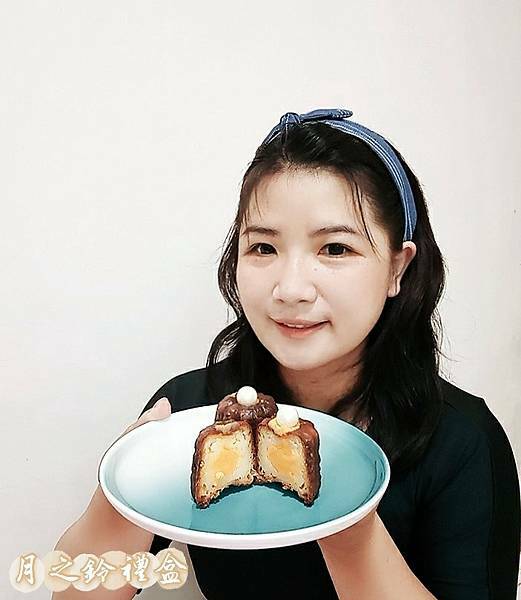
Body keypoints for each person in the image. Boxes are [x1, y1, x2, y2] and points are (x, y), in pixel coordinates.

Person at [53, 108, 521, 600]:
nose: (291, 289)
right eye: (263, 248)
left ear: (396, 269)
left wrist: (349, 523)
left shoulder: (462, 442)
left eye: (335, 249)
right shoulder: (193, 412)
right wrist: (121, 494)